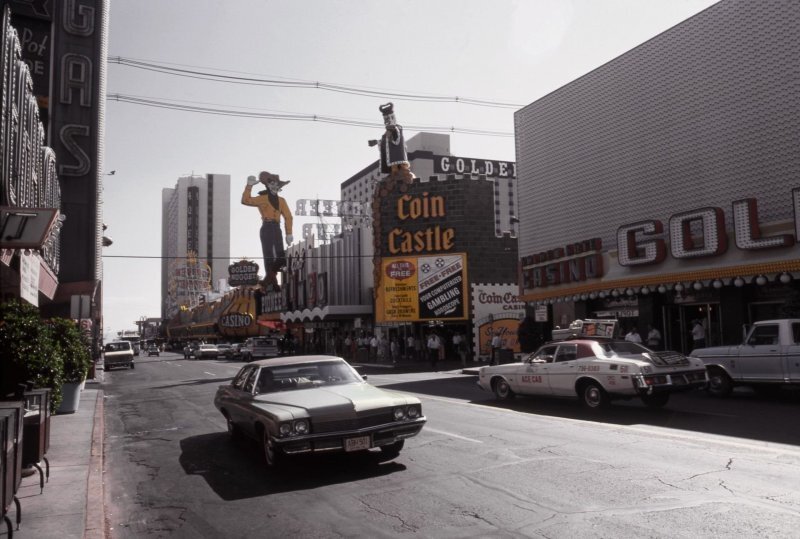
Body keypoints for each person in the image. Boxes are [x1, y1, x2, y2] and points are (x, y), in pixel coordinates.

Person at [241, 171, 293, 290]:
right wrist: (249, 186)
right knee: (268, 256)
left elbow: (288, 216)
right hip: (267, 227)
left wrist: (289, 233)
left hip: (277, 227)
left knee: (280, 257)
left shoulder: (282, 201)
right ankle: (272, 285)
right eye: (272, 183)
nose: (275, 186)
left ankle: (266, 281)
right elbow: (246, 200)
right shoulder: (262, 198)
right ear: (268, 185)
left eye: (277, 184)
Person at [368, 102, 417, 184]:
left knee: (401, 165)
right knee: (393, 167)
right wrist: (376, 142)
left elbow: (397, 139)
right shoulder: (387, 132)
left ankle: (403, 172)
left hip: (398, 152)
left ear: (392, 118)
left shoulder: (397, 128)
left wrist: (391, 133)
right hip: (391, 155)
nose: (387, 121)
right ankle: (394, 174)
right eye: (385, 119)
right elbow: (384, 141)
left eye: (388, 118)